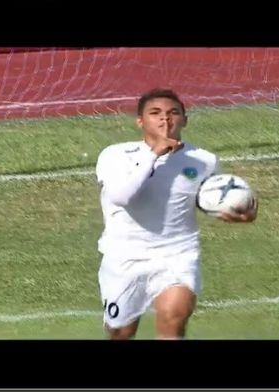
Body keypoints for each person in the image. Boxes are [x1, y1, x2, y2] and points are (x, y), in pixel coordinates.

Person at [94, 88, 258, 339]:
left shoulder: (203, 160)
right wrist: (154, 154)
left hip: (177, 254)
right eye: (155, 113)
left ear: (185, 119)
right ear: (140, 121)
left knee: (174, 318)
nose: (165, 119)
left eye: (173, 113)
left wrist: (240, 212)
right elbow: (122, 197)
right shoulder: (115, 155)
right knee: (121, 333)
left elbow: (207, 198)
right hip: (124, 257)